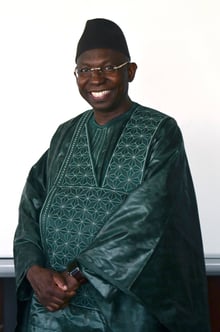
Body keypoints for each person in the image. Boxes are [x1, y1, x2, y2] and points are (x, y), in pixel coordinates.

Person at [13, 18, 211, 331]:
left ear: (129, 71)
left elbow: (147, 215)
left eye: (108, 67)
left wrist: (76, 274)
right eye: (85, 69)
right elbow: (31, 205)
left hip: (124, 310)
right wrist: (32, 270)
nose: (96, 78)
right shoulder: (65, 133)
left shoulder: (160, 131)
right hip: (52, 307)